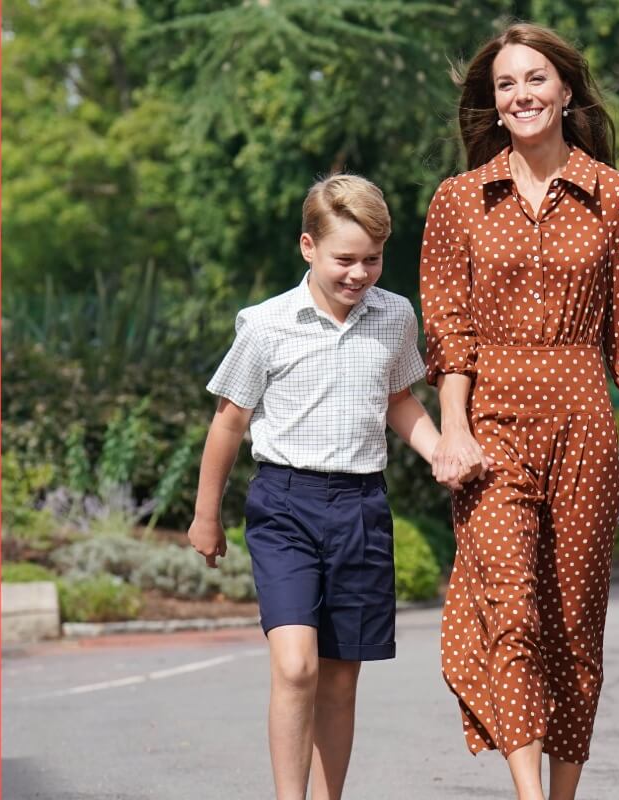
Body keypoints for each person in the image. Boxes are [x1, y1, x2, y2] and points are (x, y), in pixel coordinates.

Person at [420, 22, 619, 800]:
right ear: (493, 105)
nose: (521, 94)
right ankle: (529, 793)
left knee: (573, 620)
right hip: (491, 424)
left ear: (565, 91)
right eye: (506, 84)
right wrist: (455, 430)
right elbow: (449, 329)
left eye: (536, 79)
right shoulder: (460, 200)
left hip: (584, 424)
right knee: (513, 604)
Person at [187, 174, 441, 800]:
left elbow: (400, 399)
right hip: (285, 506)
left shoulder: (395, 315)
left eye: (373, 259)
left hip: (360, 507)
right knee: (297, 665)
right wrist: (206, 515)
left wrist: (440, 450)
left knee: (339, 678)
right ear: (308, 247)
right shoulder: (267, 325)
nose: (359, 274)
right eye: (344, 260)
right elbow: (229, 422)